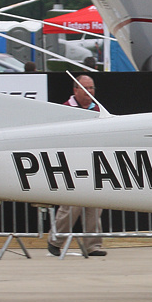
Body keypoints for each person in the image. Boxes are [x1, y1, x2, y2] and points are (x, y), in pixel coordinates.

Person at [48, 75, 107, 257]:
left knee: (95, 207)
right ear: (75, 90)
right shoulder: (66, 110)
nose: (90, 92)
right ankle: (55, 241)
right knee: (70, 207)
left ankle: (93, 245)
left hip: (93, 163)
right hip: (72, 163)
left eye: (92, 88)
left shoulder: (98, 110)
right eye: (86, 88)